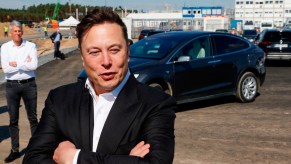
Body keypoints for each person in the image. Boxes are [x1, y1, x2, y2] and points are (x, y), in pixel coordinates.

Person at [23, 7, 176, 164]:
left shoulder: (156, 104)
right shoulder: (59, 100)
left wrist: (75, 158)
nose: (106, 61)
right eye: (94, 52)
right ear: (82, 57)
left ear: (128, 52)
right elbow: (32, 159)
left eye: (114, 50)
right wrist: (125, 160)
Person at [0, 20, 38, 163]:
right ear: (11, 32)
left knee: (33, 118)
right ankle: (15, 150)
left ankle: (36, 149)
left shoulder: (31, 46)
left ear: (22, 32)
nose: (18, 33)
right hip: (12, 87)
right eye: (15, 31)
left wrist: (16, 63)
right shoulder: (5, 47)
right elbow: (6, 69)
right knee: (13, 120)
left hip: (29, 85)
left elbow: (34, 65)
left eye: (19, 31)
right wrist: (24, 63)